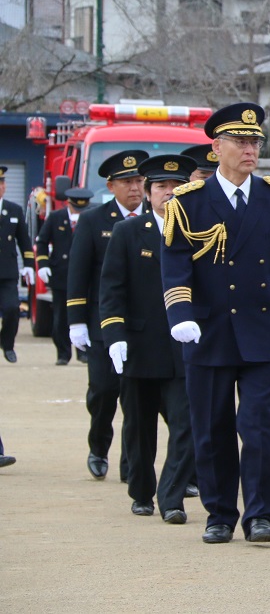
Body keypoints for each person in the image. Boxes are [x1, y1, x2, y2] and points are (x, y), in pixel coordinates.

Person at [162, 102, 270, 545]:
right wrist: (180, 314)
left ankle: (261, 514)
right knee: (212, 427)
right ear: (217, 147)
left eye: (255, 142)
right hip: (209, 330)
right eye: (241, 142)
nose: (251, 150)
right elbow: (175, 264)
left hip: (264, 329)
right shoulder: (188, 202)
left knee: (259, 422)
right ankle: (220, 513)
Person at [100, 154, 197, 523]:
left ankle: (172, 497)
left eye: (177, 186)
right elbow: (112, 289)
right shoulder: (128, 232)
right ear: (148, 191)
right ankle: (141, 490)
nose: (169, 193)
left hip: (183, 349)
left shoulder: (200, 230)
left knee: (186, 425)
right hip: (139, 347)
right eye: (161, 187)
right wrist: (114, 334)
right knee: (139, 428)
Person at [68, 150, 148, 481]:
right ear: (111, 186)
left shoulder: (159, 216)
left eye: (139, 181)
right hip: (103, 322)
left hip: (143, 325)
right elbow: (79, 271)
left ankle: (131, 463)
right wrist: (76, 321)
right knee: (103, 391)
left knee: (136, 398)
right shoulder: (94, 220)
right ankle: (98, 446)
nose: (134, 188)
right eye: (127, 182)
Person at [35, 187, 93, 365]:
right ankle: (62, 353)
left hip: (86, 275)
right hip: (62, 274)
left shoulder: (91, 218)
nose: (78, 211)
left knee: (86, 314)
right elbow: (42, 241)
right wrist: (43, 264)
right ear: (69, 203)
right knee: (61, 316)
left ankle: (83, 352)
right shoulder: (56, 217)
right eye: (76, 207)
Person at [0, 167, 34, 363]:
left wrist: (29, 263)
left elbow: (24, 240)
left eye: (3, 183)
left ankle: (7, 344)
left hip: (7, 272)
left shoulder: (14, 210)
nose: (1, 187)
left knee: (13, 309)